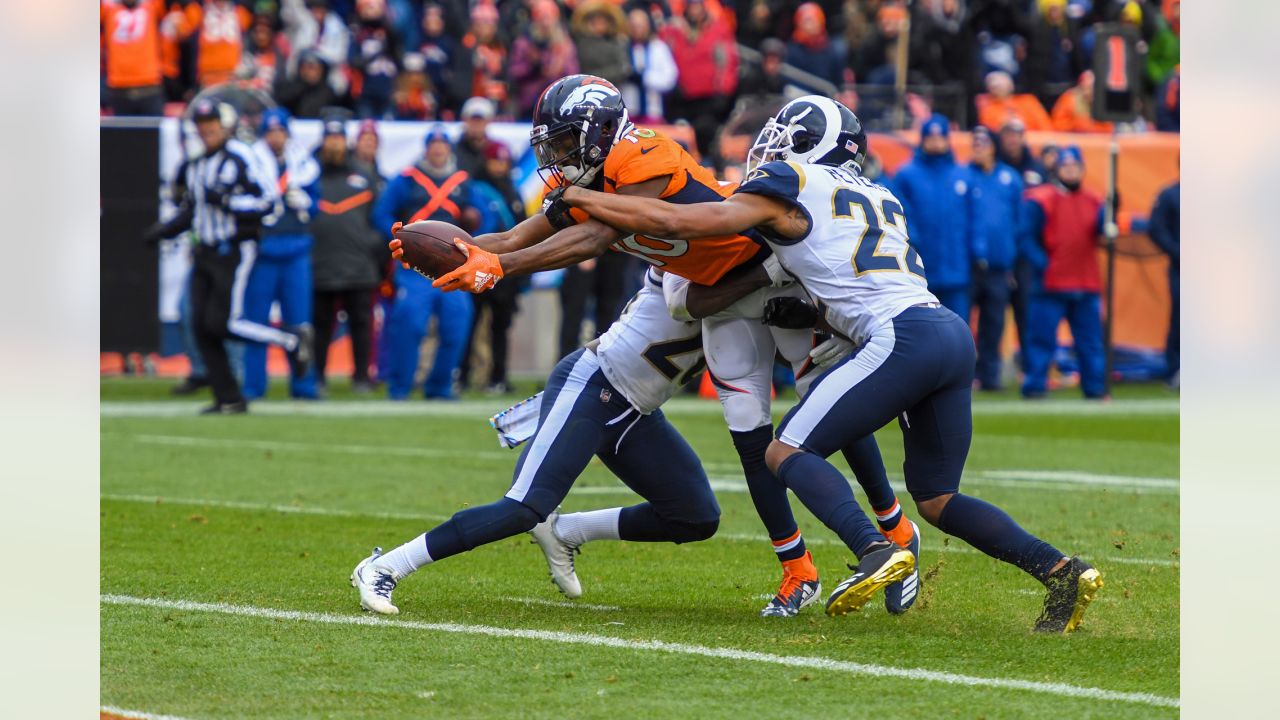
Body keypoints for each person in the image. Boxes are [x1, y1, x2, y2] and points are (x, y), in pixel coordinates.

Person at [555, 95, 1103, 632]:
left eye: (783, 137)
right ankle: (1061, 573)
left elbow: (697, 223)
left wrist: (589, 200)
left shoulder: (791, 182)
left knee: (785, 449)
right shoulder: (880, 193)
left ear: (807, 143)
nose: (771, 148)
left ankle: (874, 549)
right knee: (937, 499)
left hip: (901, 336)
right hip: (947, 331)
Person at [427, 76, 918, 619]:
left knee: (822, 397)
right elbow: (686, 297)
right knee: (750, 434)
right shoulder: (601, 186)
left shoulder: (654, 163)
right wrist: (453, 251)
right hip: (726, 306)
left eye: (567, 143)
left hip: (785, 286)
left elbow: (646, 226)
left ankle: (893, 527)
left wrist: (503, 263)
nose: (771, 149)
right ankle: (798, 567)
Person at [352, 268, 722, 614]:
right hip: (595, 387)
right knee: (524, 507)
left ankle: (566, 531)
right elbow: (687, 299)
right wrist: (769, 278)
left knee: (695, 516)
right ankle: (385, 566)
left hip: (636, 410)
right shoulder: (700, 250)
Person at [143, 99, 311, 414]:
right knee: (201, 325)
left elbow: (267, 202)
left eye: (212, 126)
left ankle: (291, 339)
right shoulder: (195, 164)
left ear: (224, 126)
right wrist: (162, 231)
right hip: (204, 250)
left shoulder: (240, 156)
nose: (207, 131)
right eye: (202, 127)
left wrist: (229, 202)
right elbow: (193, 209)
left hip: (233, 249)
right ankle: (229, 397)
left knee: (223, 322)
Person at [371, 126, 476, 400]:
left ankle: (439, 386)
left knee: (456, 323)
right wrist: (401, 238)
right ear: (426, 148)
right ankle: (399, 386)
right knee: (410, 323)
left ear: (448, 149)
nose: (438, 149)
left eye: (443, 144)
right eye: (434, 144)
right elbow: (382, 213)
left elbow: (482, 218)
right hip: (413, 267)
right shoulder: (406, 180)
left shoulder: (462, 182)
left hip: (452, 265)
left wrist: (474, 241)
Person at [243, 108, 320, 400]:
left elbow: (317, 204)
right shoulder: (251, 161)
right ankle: (253, 386)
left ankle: (303, 385)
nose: (276, 137)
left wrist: (307, 203)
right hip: (262, 250)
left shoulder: (303, 163)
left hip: (297, 248)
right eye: (271, 131)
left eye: (280, 131)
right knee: (255, 322)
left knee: (300, 324)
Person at [1019, 146, 1107, 399]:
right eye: (1066, 167)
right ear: (1057, 169)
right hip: (1050, 284)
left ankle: (1095, 388)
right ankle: (1035, 386)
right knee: (1041, 339)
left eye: (1075, 167)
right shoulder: (1041, 200)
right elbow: (1025, 238)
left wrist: (1110, 213)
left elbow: (1102, 231)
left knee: (1090, 342)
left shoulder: (1094, 201)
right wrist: (1043, 264)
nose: (1070, 171)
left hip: (1085, 282)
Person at [312, 117, 384, 393]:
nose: (334, 144)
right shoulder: (310, 173)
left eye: (338, 138)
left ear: (346, 142)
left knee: (361, 324)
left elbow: (380, 217)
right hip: (321, 262)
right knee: (320, 325)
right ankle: (317, 377)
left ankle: (362, 377)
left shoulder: (364, 175)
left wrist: (372, 244)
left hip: (359, 264)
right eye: (330, 138)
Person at [885, 115, 976, 321]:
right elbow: (899, 215)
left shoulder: (962, 174)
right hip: (921, 268)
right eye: (931, 137)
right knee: (925, 327)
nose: (936, 142)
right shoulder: (906, 174)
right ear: (923, 139)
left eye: (940, 137)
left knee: (958, 325)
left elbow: (973, 219)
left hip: (957, 267)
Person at [461, 142, 525, 393]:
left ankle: (498, 377)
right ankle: (462, 375)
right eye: (495, 161)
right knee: (470, 323)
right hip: (478, 264)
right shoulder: (474, 189)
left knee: (501, 327)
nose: (499, 166)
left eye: (503, 161)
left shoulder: (513, 191)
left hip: (505, 270)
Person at [965, 127, 1023, 391]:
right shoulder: (963, 176)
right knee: (962, 323)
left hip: (999, 265)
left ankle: (989, 375)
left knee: (994, 323)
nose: (978, 147)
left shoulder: (1009, 178)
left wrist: (1011, 256)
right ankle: (963, 375)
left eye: (983, 143)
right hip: (967, 265)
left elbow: (1018, 220)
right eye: (975, 143)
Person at [661, 0, 738, 165]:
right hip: (679, 97)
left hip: (708, 98)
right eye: (692, 7)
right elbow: (663, 56)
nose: (695, 11)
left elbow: (727, 61)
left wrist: (723, 90)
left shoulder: (718, 29)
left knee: (706, 137)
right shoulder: (673, 30)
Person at [509, 0, 580, 118]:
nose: (545, 23)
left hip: (557, 102)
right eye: (541, 17)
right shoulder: (525, 43)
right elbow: (515, 72)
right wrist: (533, 68)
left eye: (549, 18)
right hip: (529, 103)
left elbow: (573, 74)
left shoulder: (565, 45)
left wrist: (556, 70)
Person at [101, 0, 168, 116]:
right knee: (122, 133)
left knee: (153, 133)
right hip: (118, 86)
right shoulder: (107, 8)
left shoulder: (152, 5)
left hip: (150, 84)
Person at [621, 6, 678, 124]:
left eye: (640, 25)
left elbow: (670, 78)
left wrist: (644, 78)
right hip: (627, 110)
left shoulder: (658, 47)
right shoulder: (621, 46)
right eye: (634, 26)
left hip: (652, 110)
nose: (637, 30)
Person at [1148, 177, 1179, 388]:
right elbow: (1157, 229)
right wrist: (1179, 253)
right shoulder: (1170, 194)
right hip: (1182, 268)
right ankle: (1176, 369)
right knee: (1181, 319)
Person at [347, 0, 401, 120]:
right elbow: (354, 61)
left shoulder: (390, 33)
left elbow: (399, 59)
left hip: (388, 91)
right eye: (368, 8)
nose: (372, 12)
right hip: (365, 91)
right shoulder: (357, 33)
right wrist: (376, 54)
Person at [282, 0, 350, 94]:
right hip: (303, 73)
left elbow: (338, 56)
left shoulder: (337, 26)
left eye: (321, 9)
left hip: (329, 77)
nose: (318, 12)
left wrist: (317, 51)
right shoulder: (306, 23)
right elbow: (299, 48)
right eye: (315, 9)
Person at [784, 3, 844, 95]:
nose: (809, 25)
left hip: (826, 96)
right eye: (806, 21)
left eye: (812, 20)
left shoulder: (830, 49)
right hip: (801, 97)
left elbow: (838, 79)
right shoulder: (793, 49)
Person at [571, 1, 632, 89]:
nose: (598, 25)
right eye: (594, 22)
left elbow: (624, 69)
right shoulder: (581, 43)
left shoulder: (617, 42)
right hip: (587, 88)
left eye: (602, 22)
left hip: (614, 88)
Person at [976, 70, 1053, 132]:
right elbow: (990, 132)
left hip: (1034, 142)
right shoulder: (987, 108)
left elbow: (1046, 127)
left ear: (1011, 85)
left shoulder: (1028, 101)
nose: (996, 86)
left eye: (1000, 84)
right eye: (993, 85)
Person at [275, 50, 342, 118]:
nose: (310, 71)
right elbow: (282, 99)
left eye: (313, 67)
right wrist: (304, 85)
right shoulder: (292, 87)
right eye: (305, 67)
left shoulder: (328, 92)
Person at [454, 97, 495, 177]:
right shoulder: (453, 151)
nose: (476, 124)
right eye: (473, 120)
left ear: (489, 121)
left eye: (480, 120)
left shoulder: (494, 152)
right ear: (464, 120)